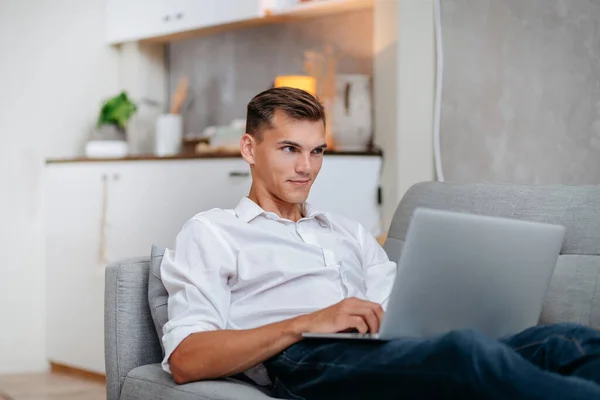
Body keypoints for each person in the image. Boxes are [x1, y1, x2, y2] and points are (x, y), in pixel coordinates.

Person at [159, 87, 600, 399]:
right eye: (289, 149)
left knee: (565, 340)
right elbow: (187, 359)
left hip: (385, 349)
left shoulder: (348, 231)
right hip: (303, 360)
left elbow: (396, 307)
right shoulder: (212, 232)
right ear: (250, 149)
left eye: (317, 151)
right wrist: (310, 321)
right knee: (465, 355)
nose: (306, 168)